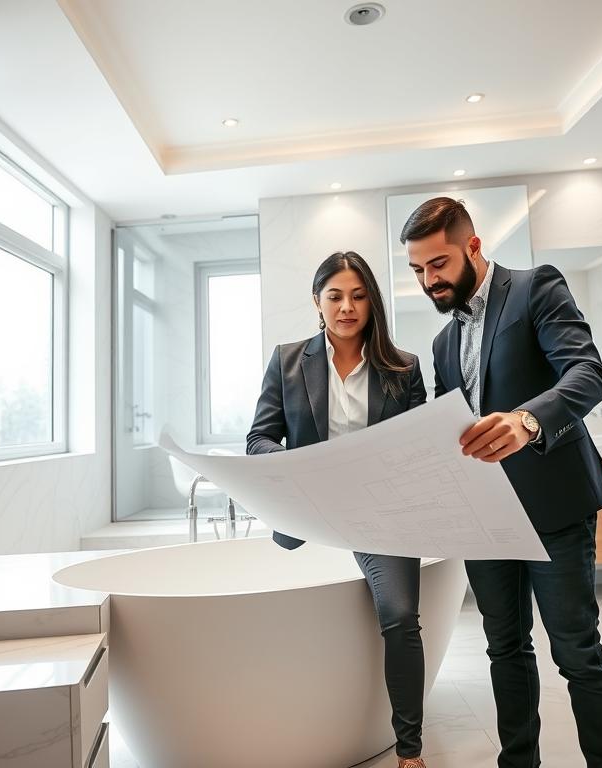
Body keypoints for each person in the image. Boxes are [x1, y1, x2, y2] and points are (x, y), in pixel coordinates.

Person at [401, 197, 602, 768]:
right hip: (486, 518)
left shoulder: (535, 287)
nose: (429, 281)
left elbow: (588, 373)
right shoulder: (442, 343)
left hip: (554, 507)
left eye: (439, 264)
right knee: (504, 648)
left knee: (577, 651)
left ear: (473, 247)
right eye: (418, 270)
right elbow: (449, 425)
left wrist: (527, 420)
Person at [247, 251, 430, 768]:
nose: (347, 307)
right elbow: (259, 439)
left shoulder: (404, 367)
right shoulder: (287, 360)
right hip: (310, 514)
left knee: (400, 616)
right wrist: (303, 465)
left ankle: (410, 750)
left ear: (372, 301)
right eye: (335, 296)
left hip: (382, 516)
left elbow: (421, 446)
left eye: (358, 295)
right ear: (317, 302)